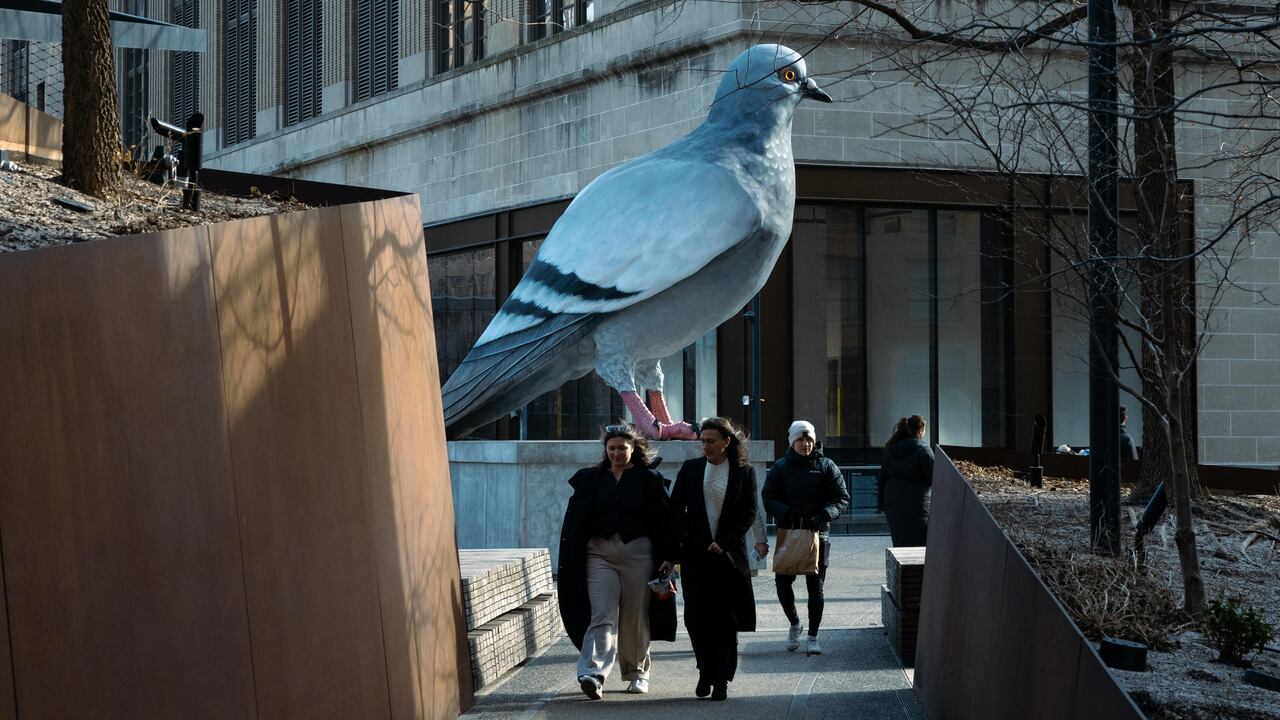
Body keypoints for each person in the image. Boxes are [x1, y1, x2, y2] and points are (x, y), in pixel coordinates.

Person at [556, 423, 676, 700]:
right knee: (601, 613)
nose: (616, 453)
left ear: (634, 448)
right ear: (605, 450)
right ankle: (592, 672)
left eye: (622, 447)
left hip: (639, 554)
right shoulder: (592, 479)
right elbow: (577, 520)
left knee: (635, 615)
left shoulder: (650, 480)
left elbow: (664, 521)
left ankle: (637, 672)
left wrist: (669, 556)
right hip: (600, 554)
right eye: (611, 448)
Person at [669, 417, 758, 701]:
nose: (705, 446)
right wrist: (686, 538)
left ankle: (721, 679)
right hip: (695, 556)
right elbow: (675, 508)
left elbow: (748, 512)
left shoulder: (744, 472)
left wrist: (724, 542)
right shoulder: (692, 469)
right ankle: (705, 669)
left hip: (728, 557)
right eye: (702, 441)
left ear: (726, 442)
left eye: (711, 441)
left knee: (724, 620)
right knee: (696, 618)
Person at [761, 420, 850, 655]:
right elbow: (768, 497)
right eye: (800, 439)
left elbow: (842, 498)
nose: (805, 444)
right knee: (782, 584)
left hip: (818, 533)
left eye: (809, 439)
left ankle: (813, 635)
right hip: (789, 532)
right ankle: (795, 623)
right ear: (792, 441)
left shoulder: (826, 465)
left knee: (816, 587)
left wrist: (824, 515)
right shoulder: (780, 467)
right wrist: (787, 512)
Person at [876, 415, 935, 547]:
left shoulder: (891, 449)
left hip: (893, 503)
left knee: (900, 542)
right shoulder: (923, 450)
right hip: (918, 504)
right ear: (920, 429)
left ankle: (901, 567)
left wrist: (881, 504)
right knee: (920, 544)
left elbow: (882, 478)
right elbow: (933, 478)